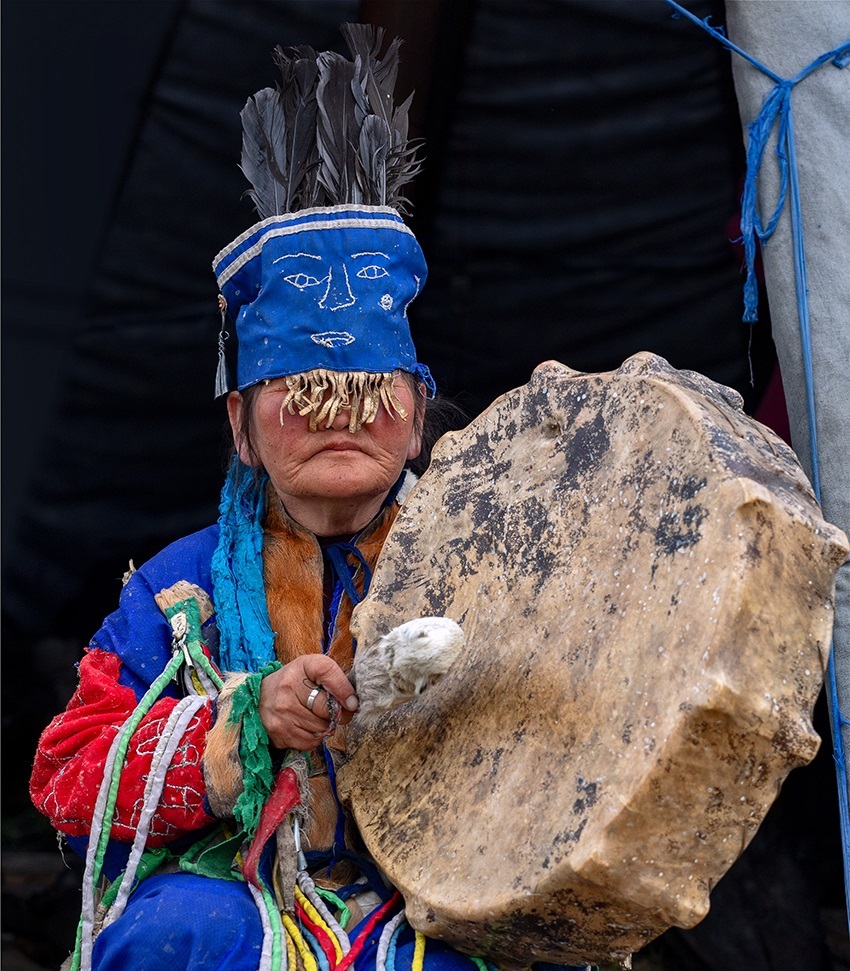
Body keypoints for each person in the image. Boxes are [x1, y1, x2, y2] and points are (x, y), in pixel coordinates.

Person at [29, 27, 503, 971]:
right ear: (241, 427)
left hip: (435, 907)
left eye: (369, 397)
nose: (342, 421)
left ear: (416, 414)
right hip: (249, 904)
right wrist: (240, 725)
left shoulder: (487, 567)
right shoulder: (179, 592)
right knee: (180, 935)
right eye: (305, 400)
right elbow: (66, 777)